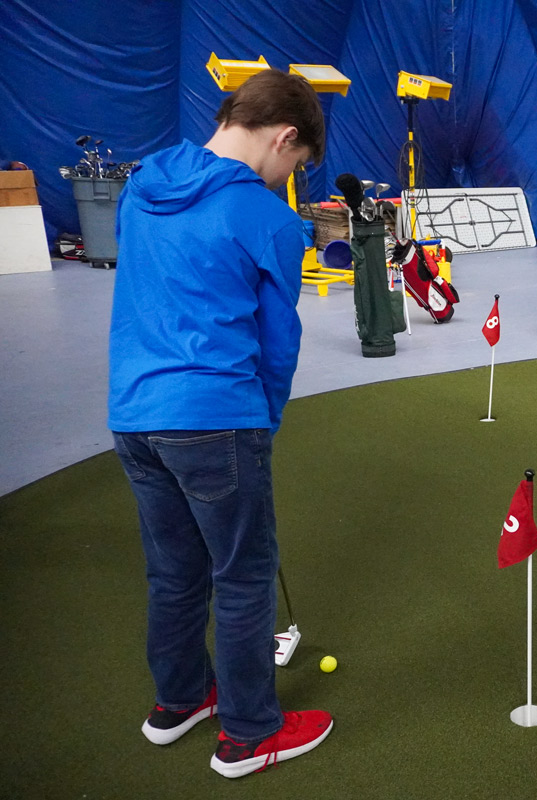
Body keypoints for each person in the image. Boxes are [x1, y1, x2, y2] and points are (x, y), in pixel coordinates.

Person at [108, 69, 333, 779]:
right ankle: (247, 734)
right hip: (215, 417)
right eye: (293, 165)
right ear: (285, 136)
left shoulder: (143, 184)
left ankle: (178, 701)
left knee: (174, 571)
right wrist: (262, 419)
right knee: (242, 578)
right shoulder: (266, 216)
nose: (285, 178)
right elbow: (277, 342)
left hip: (133, 416)